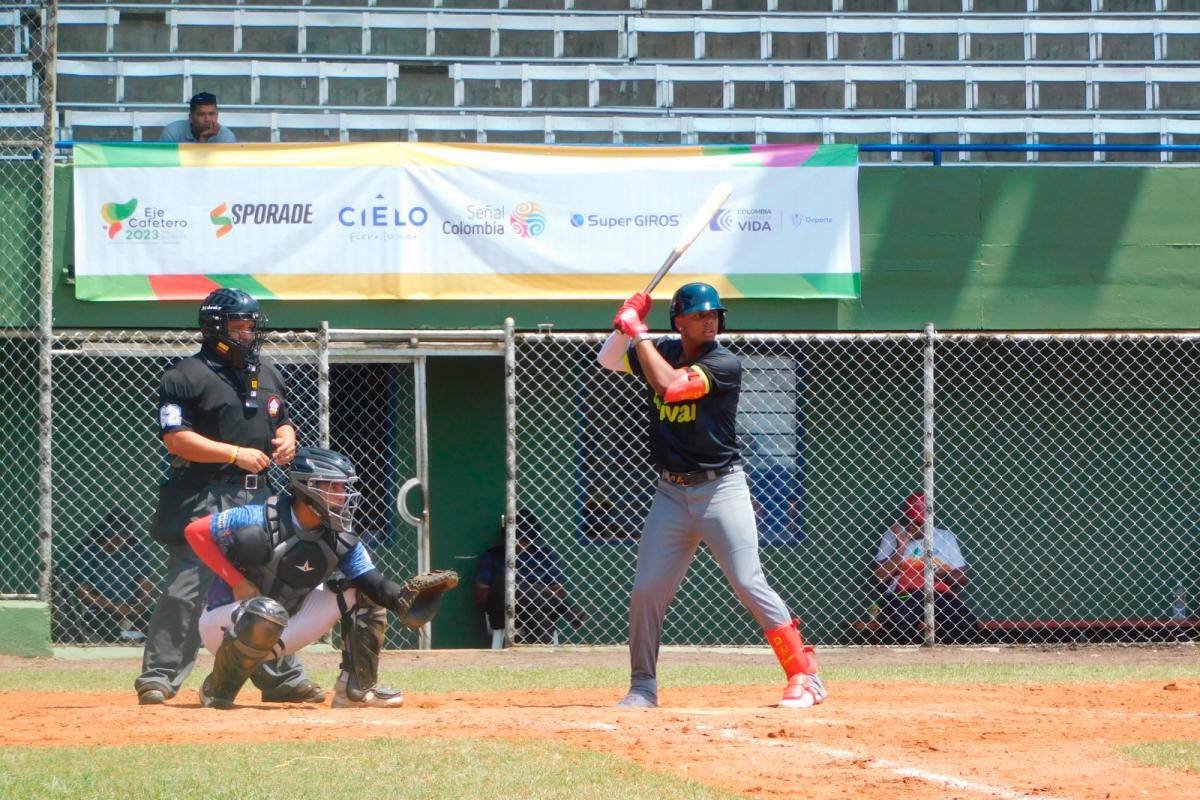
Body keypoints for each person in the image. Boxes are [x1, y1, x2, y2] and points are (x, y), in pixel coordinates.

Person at [597, 283, 827, 709]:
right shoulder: (662, 349)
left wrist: (639, 333)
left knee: (746, 581)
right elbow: (607, 359)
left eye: (714, 315)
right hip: (670, 492)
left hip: (721, 487)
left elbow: (670, 388)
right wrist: (625, 323)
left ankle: (804, 675)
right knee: (647, 589)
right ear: (679, 321)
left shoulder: (723, 362)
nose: (709, 321)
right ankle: (643, 685)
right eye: (700, 315)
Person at [134, 288, 319, 706]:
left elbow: (283, 421)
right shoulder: (185, 375)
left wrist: (287, 441)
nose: (247, 334)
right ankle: (159, 677)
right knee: (188, 588)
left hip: (259, 497)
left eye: (251, 326)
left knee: (268, 587)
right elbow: (176, 440)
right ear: (214, 328)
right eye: (238, 327)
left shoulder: (267, 371)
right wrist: (235, 453)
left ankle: (280, 679)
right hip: (205, 493)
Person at [186, 446, 458, 709]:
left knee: (360, 591)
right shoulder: (257, 516)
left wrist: (402, 600)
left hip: (286, 628)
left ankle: (356, 690)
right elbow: (195, 532)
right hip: (224, 626)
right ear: (306, 486)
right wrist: (236, 581)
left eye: (343, 488)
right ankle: (218, 689)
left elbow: (372, 581)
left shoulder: (340, 536)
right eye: (333, 487)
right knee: (265, 612)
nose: (342, 496)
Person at [873, 491, 978, 644]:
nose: (918, 527)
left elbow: (962, 579)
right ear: (907, 518)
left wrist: (943, 574)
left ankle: (942, 656)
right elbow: (880, 576)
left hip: (940, 594)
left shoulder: (945, 536)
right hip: (904, 594)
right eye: (914, 522)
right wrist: (901, 547)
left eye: (922, 523)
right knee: (898, 618)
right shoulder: (892, 535)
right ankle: (915, 657)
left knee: (965, 623)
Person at [474, 509, 586, 644]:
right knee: (507, 580)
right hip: (503, 610)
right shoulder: (493, 555)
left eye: (526, 540)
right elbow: (481, 596)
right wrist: (514, 589)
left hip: (539, 610)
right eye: (517, 538)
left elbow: (559, 591)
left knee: (538, 611)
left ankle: (538, 658)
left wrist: (531, 593)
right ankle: (566, 608)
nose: (521, 544)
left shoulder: (543, 555)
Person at [69, 510, 154, 644]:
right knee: (109, 629)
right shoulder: (88, 552)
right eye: (113, 535)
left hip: (131, 606)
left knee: (157, 623)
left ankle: (130, 636)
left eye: (122, 535)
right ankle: (127, 637)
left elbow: (146, 584)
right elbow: (81, 590)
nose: (117, 539)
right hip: (100, 608)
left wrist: (140, 604)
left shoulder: (135, 551)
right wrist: (113, 606)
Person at [159, 91, 236, 144]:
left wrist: (204, 138)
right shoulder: (173, 132)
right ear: (191, 117)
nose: (207, 119)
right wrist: (203, 140)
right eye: (201, 114)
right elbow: (164, 164)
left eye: (211, 114)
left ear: (217, 115)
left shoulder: (226, 137)